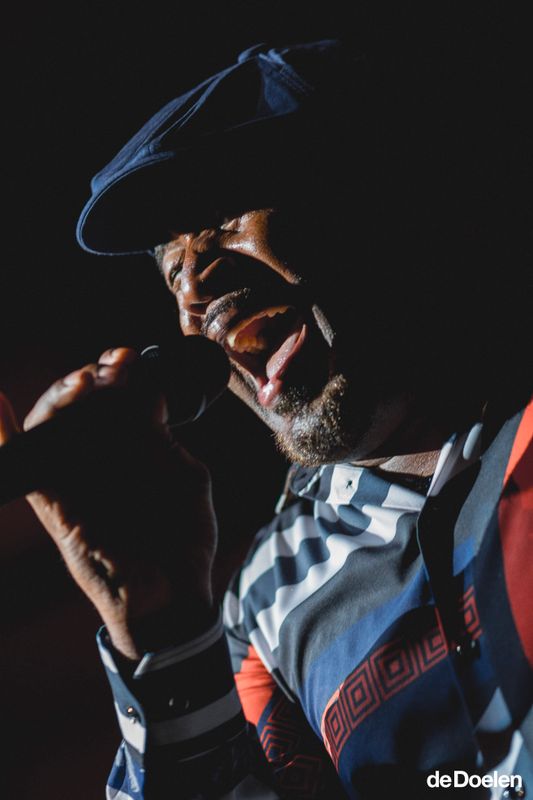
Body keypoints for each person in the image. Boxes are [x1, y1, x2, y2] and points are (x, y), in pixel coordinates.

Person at [0, 40, 532, 799]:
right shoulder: (265, 606)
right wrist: (160, 629)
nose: (195, 288)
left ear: (377, 190)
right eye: (172, 268)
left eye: (221, 215)